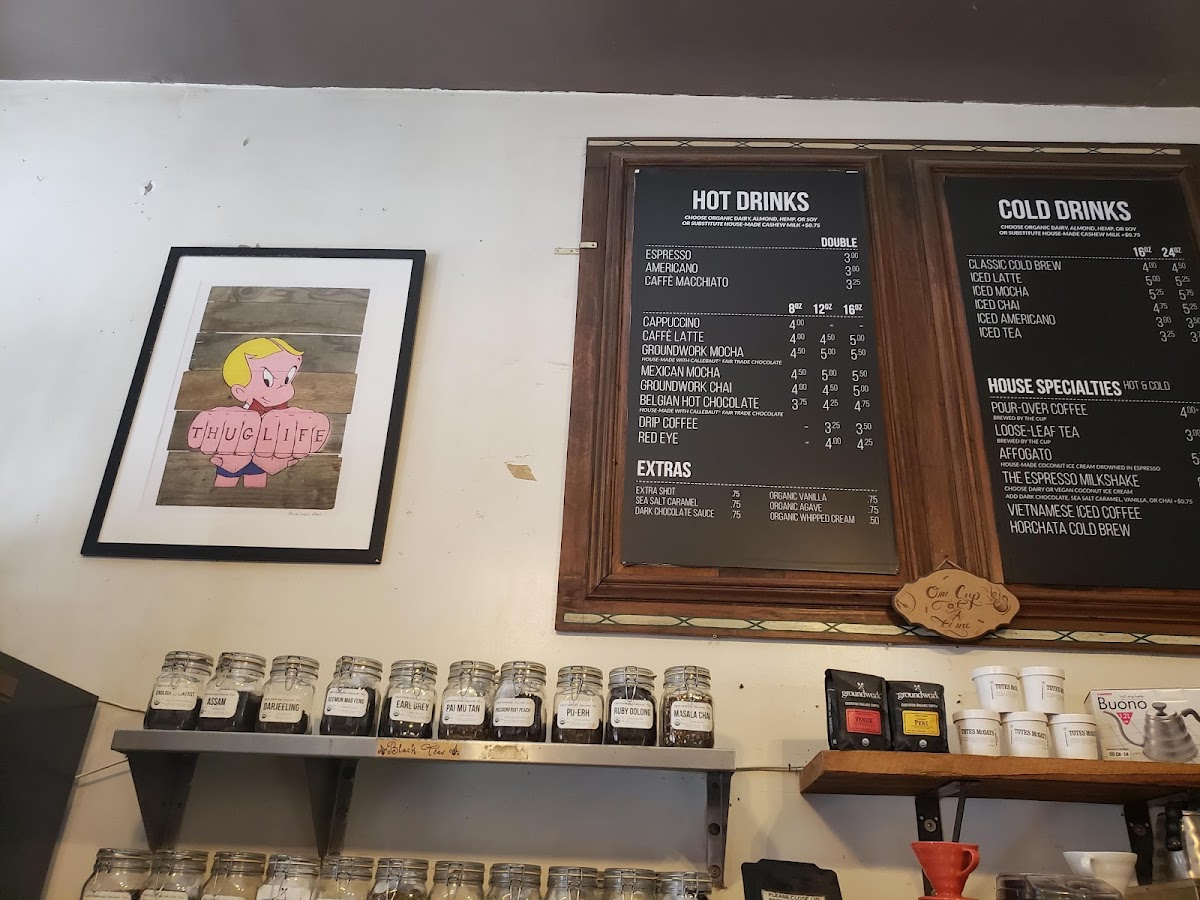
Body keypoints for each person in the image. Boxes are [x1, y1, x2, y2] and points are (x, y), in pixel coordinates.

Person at [186, 337, 330, 488]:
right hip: (233, 454)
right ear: (240, 391)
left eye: (287, 379)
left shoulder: (283, 418)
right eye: (268, 380)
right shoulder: (234, 419)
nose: (284, 388)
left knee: (256, 484)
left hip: (263, 457)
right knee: (225, 482)